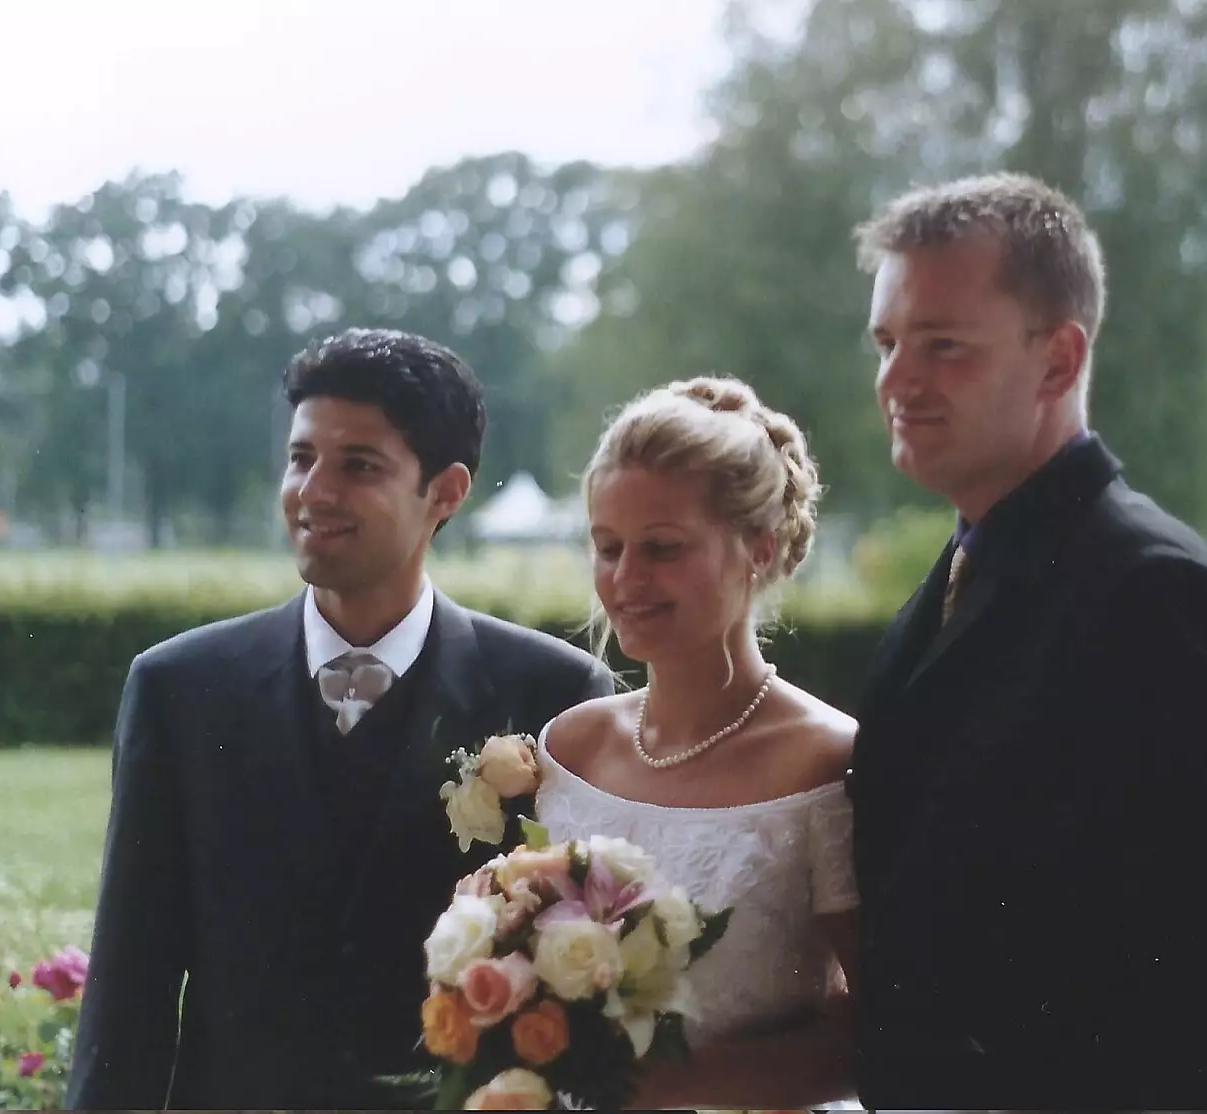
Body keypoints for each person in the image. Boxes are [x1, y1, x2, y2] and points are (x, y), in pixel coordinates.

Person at [848, 172, 1207, 1110]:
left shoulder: (1149, 588)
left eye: (943, 347)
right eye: (886, 343)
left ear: (1057, 359)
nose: (897, 381)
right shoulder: (967, 566)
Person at [65, 328, 614, 1110]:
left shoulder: (553, 692)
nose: (313, 491)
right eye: (300, 458)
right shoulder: (178, 689)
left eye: (358, 465)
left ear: (447, 492)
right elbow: (130, 981)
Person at [535, 377, 861, 1109]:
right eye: (607, 546)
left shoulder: (826, 760)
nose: (625, 579)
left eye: (662, 548)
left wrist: (672, 1085)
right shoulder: (573, 747)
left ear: (760, 547)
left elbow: (883, 1023)